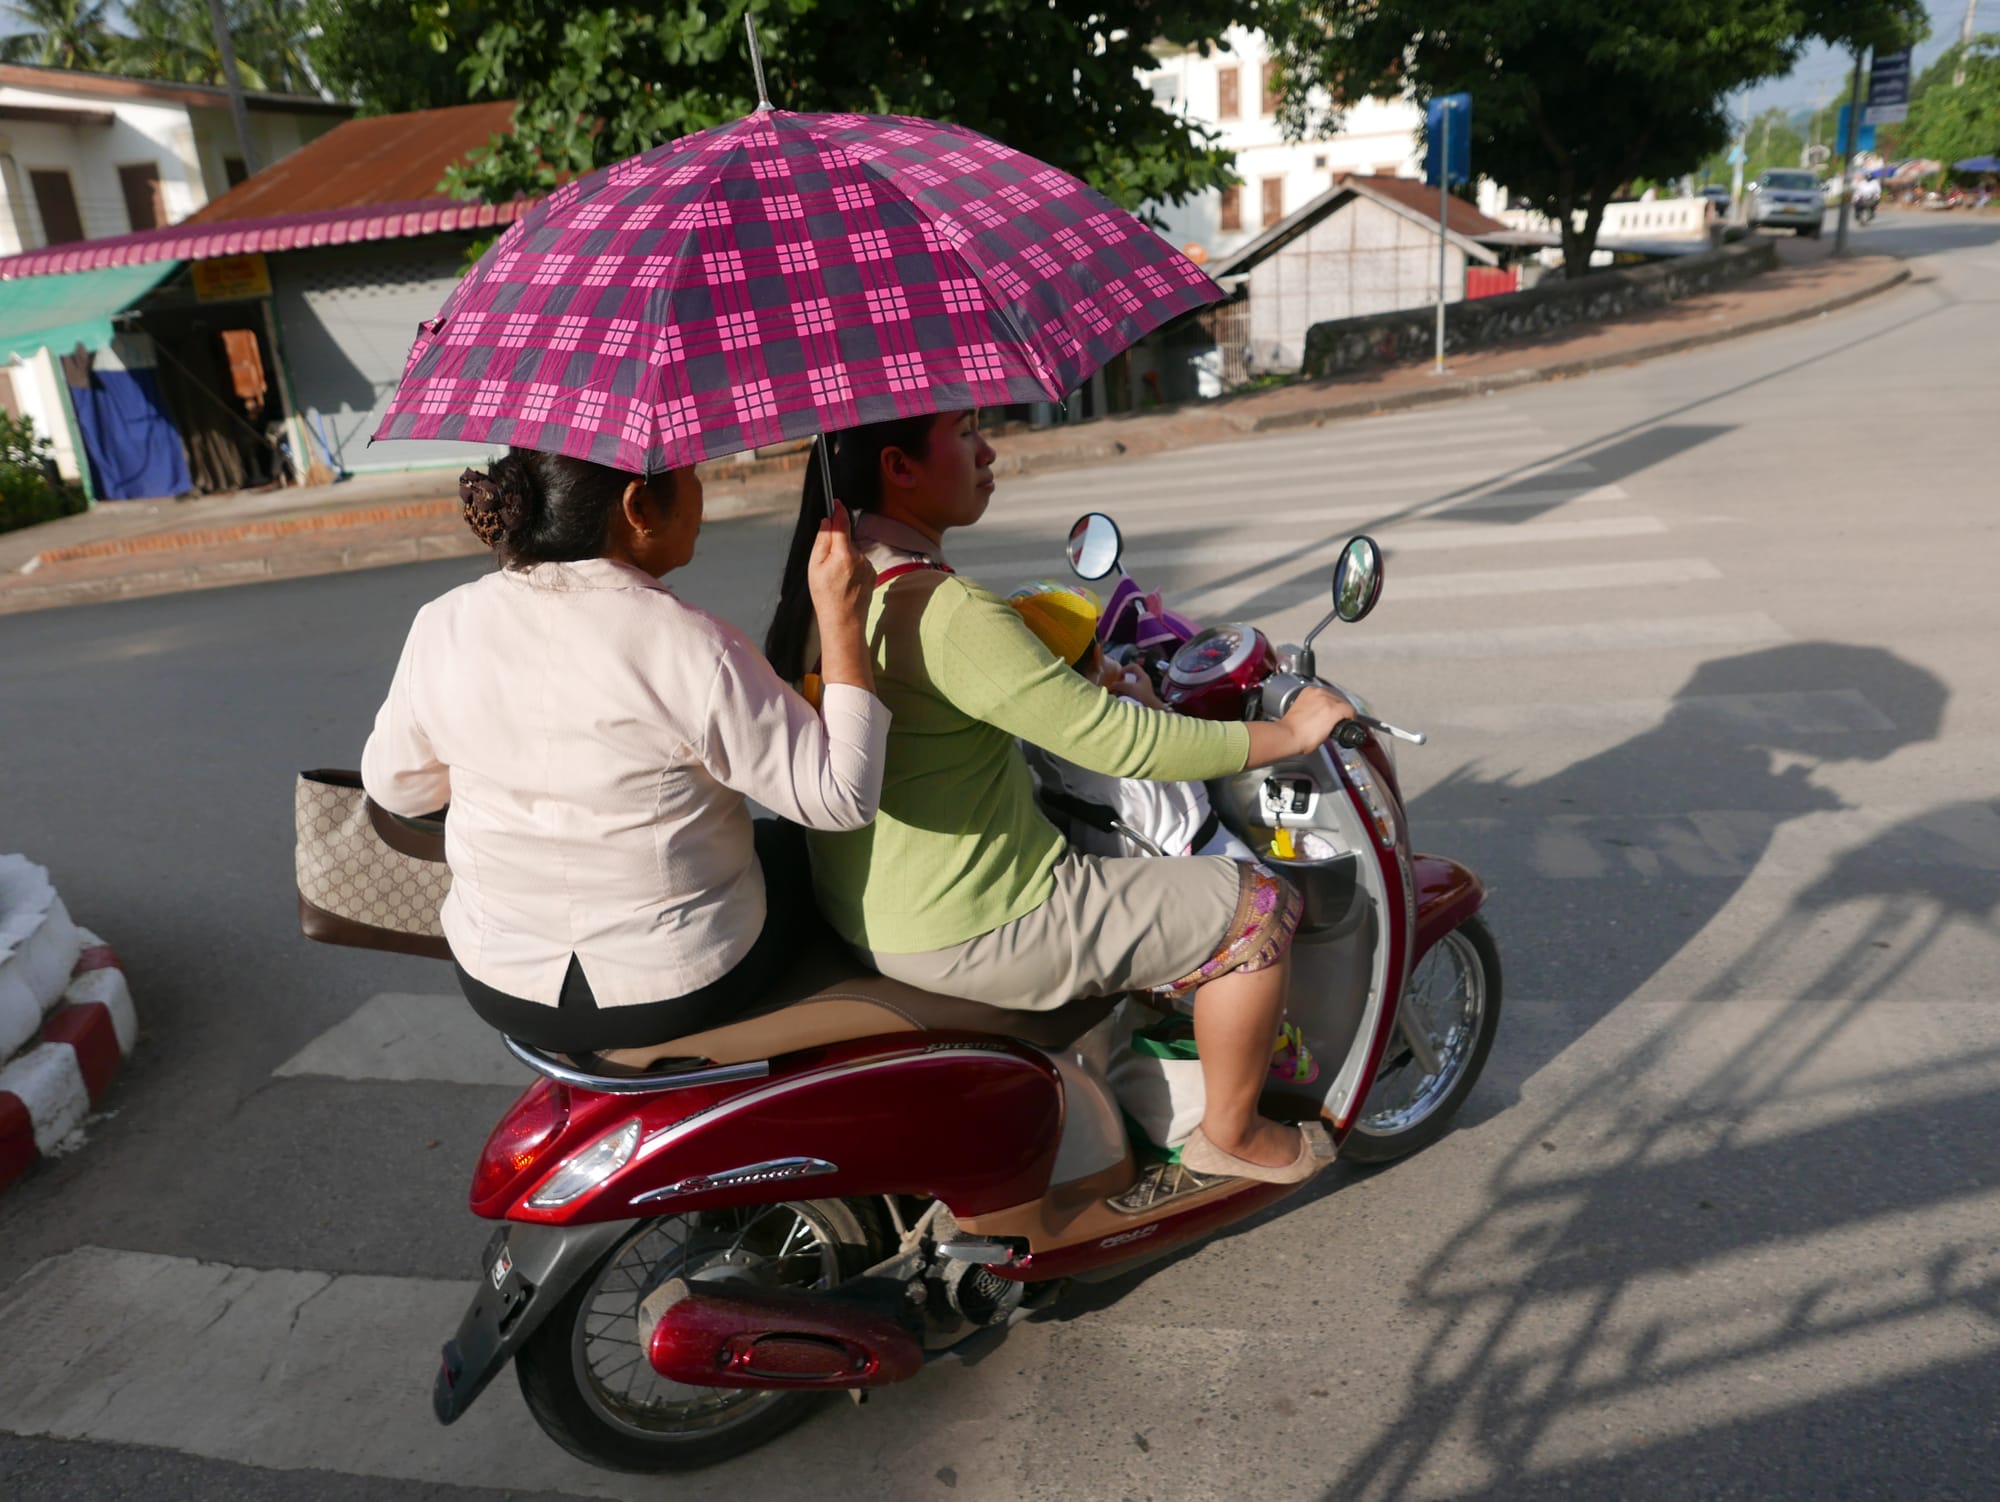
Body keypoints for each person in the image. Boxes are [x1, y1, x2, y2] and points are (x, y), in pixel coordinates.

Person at [765, 412, 1355, 1184]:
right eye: (965, 433)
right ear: (898, 467)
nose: (989, 451)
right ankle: (1232, 1131)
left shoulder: (830, 588)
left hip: (876, 901)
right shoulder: (943, 611)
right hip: (975, 917)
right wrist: (1289, 736)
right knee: (1260, 906)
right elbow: (1122, 742)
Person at [362, 448, 887, 1056]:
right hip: (678, 983)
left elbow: (398, 787)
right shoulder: (693, 646)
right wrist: (843, 621)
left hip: (496, 979)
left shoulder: (443, 624)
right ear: (638, 507)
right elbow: (842, 797)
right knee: (802, 857)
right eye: (693, 474)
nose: (701, 496)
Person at [1005, 580, 1256, 863]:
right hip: (1194, 853)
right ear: (1099, 656)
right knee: (1279, 895)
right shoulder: (1127, 719)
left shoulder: (1031, 734)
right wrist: (1152, 703)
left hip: (1111, 857)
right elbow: (1192, 749)